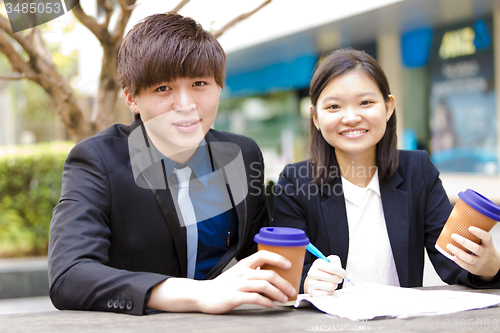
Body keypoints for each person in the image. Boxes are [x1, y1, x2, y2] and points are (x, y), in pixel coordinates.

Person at [48, 12, 295, 315]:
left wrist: (308, 277)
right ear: (132, 99)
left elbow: (259, 255)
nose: (186, 105)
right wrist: (199, 294)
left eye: (200, 83)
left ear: (219, 86)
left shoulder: (242, 154)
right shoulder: (97, 160)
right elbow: (69, 276)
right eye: (163, 88)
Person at [271, 48, 500, 296]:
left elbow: (454, 265)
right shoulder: (294, 182)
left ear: (388, 107)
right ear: (315, 117)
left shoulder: (417, 171)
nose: (351, 117)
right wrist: (306, 282)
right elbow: (285, 273)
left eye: (365, 102)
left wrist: (489, 266)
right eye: (334, 106)